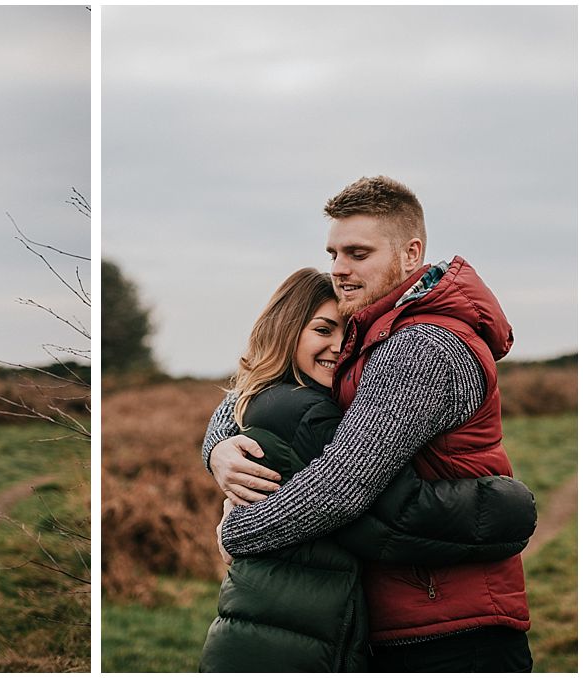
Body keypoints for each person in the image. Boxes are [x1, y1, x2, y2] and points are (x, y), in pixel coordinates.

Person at [203, 176, 534, 671]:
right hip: (395, 615)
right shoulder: (370, 341)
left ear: (410, 252)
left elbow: (342, 485)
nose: (339, 268)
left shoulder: (420, 346)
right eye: (333, 253)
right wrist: (218, 445)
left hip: (451, 625)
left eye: (357, 253)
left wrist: (237, 532)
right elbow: (277, 390)